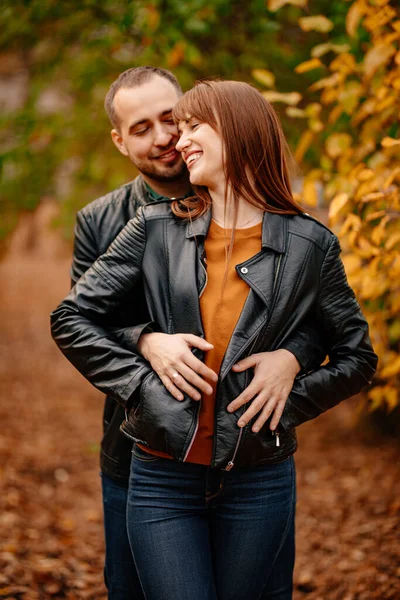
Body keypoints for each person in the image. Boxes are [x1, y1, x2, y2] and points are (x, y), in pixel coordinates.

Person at [50, 80, 375, 599]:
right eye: (151, 129)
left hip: (258, 476)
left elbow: (357, 355)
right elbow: (73, 317)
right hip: (160, 472)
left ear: (238, 132)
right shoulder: (151, 227)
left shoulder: (311, 243)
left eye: (190, 125)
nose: (176, 140)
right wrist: (143, 379)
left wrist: (288, 390)